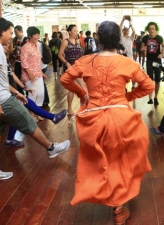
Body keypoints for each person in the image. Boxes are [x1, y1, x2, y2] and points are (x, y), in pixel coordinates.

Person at [60, 21, 154, 225]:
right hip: (121, 119)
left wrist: (82, 93)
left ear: (98, 38)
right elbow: (148, 86)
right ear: (119, 39)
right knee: (122, 160)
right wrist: (127, 97)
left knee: (99, 163)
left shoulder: (85, 61)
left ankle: (104, 194)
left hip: (93, 119)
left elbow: (65, 80)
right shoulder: (127, 62)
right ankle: (118, 208)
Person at [0, 18, 70, 184]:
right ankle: (51, 148)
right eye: (10, 32)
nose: (11, 36)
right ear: (2, 31)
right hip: (0, 100)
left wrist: (16, 92)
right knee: (29, 122)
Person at [58, 24, 85, 118]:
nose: (76, 32)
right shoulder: (65, 42)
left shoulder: (78, 41)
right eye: (74, 31)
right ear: (69, 32)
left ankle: (83, 106)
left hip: (78, 67)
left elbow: (80, 55)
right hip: (69, 67)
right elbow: (60, 55)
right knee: (72, 89)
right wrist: (66, 63)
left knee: (83, 86)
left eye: (77, 31)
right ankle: (69, 108)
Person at [20, 27, 47, 110]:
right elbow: (24, 63)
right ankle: (31, 114)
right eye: (36, 35)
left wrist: (41, 72)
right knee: (33, 94)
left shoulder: (36, 46)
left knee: (41, 94)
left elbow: (37, 61)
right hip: (29, 75)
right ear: (30, 35)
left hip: (38, 73)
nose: (38, 37)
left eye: (38, 35)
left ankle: (37, 112)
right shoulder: (25, 47)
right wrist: (30, 73)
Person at [142, 22, 164, 105]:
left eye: (153, 29)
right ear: (148, 29)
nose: (151, 30)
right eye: (150, 29)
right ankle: (150, 98)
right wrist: (143, 49)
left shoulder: (159, 38)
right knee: (150, 79)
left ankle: (156, 97)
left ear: (155, 29)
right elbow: (142, 47)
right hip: (149, 61)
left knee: (157, 79)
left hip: (157, 61)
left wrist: (161, 53)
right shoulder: (145, 38)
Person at [13, 25, 28, 91]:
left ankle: (27, 90)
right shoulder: (15, 39)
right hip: (17, 60)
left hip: (24, 61)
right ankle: (20, 90)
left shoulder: (26, 39)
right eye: (14, 32)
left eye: (16, 32)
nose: (15, 33)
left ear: (21, 31)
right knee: (17, 76)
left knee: (25, 76)